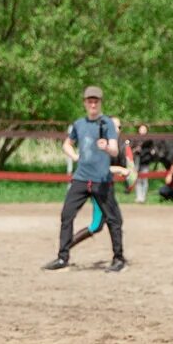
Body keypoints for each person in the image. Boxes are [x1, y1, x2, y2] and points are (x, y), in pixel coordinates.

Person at [43, 85, 127, 271]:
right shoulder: (79, 124)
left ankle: (118, 259)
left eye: (96, 101)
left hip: (101, 180)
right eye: (90, 101)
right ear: (85, 103)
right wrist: (74, 157)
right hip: (81, 178)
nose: (93, 104)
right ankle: (62, 258)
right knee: (67, 215)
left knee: (114, 219)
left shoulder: (107, 124)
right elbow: (67, 144)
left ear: (100, 103)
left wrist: (106, 147)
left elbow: (114, 148)